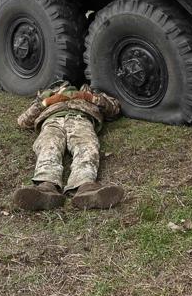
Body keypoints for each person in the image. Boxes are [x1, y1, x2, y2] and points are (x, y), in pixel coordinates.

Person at [11, 81, 125, 211]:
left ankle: (86, 188)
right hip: (52, 120)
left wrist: (89, 97)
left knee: (87, 146)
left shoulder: (92, 91)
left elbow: (114, 109)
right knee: (48, 145)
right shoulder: (46, 94)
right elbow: (23, 121)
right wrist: (47, 102)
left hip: (80, 118)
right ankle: (46, 188)